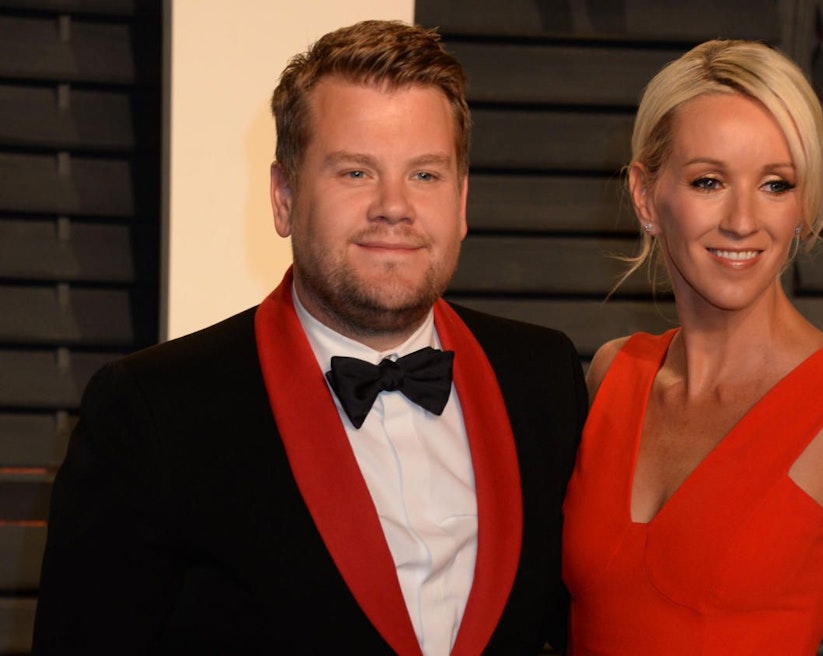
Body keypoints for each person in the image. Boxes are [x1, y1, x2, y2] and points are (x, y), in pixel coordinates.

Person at [32, 20, 586, 655]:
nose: (394, 206)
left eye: (426, 175)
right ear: (283, 196)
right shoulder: (150, 410)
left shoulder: (544, 378)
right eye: (355, 172)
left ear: (462, 202)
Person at [562, 39, 823, 654]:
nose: (743, 220)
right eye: (709, 181)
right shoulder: (613, 373)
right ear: (644, 195)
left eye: (775, 183)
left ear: (804, 204)